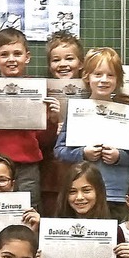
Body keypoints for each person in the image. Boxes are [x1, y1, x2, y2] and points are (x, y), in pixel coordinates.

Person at [0, 27, 60, 209]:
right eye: (4, 54)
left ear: (27, 57)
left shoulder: (38, 92)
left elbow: (45, 141)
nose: (11, 59)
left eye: (17, 53)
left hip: (27, 165)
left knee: (28, 211)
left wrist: (52, 120)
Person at [54, 47, 129, 221]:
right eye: (98, 74)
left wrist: (119, 157)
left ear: (118, 80)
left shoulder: (125, 112)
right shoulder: (76, 110)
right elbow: (59, 150)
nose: (104, 80)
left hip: (115, 193)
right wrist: (82, 153)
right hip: (83, 194)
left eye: (110, 75)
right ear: (87, 77)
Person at [40, 30, 85, 216]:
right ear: (50, 65)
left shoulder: (94, 89)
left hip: (83, 174)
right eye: (56, 60)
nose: (63, 64)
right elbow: (38, 141)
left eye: (69, 58)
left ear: (81, 63)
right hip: (52, 175)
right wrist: (52, 123)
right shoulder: (41, 93)